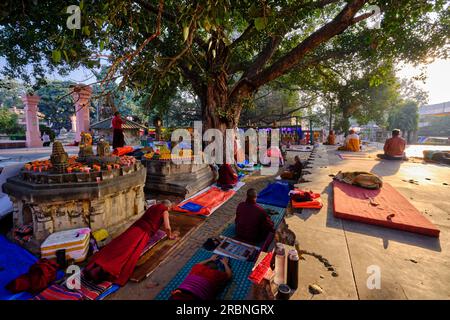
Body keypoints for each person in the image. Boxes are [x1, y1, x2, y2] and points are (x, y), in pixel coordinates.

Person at [84, 200, 178, 286]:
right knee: (127, 253)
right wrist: (170, 235)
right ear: (168, 207)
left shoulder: (153, 207)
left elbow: (145, 218)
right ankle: (101, 271)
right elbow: (167, 227)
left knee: (118, 246)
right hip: (142, 233)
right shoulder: (165, 210)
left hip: (134, 228)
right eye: (169, 209)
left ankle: (95, 266)